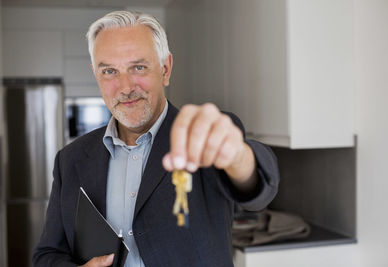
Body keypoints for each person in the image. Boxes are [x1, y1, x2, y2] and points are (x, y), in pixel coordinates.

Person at [33, 10, 279, 267]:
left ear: (165, 69)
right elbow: (47, 255)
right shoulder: (70, 160)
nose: (126, 87)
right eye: (109, 71)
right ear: (95, 74)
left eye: (138, 67)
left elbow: (258, 190)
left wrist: (240, 157)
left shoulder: (203, 137)